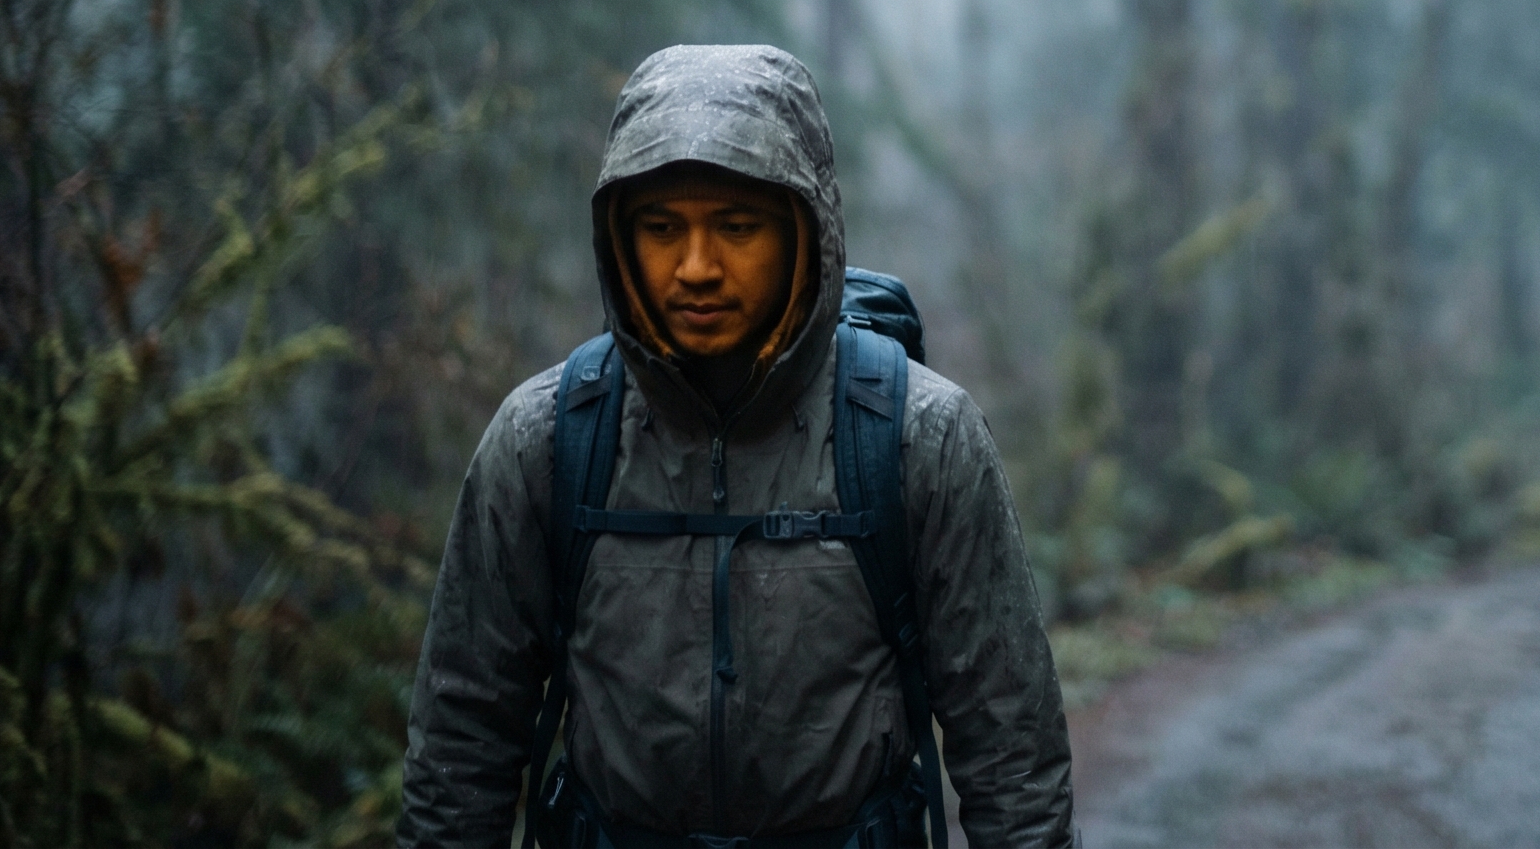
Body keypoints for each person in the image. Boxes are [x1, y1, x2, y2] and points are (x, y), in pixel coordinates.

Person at [397, 44, 1076, 849]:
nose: (696, 268)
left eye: (737, 226)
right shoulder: (546, 437)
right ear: (618, 238)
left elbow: (1010, 750)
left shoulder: (919, 437)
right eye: (661, 228)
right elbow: (462, 742)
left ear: (804, 232)